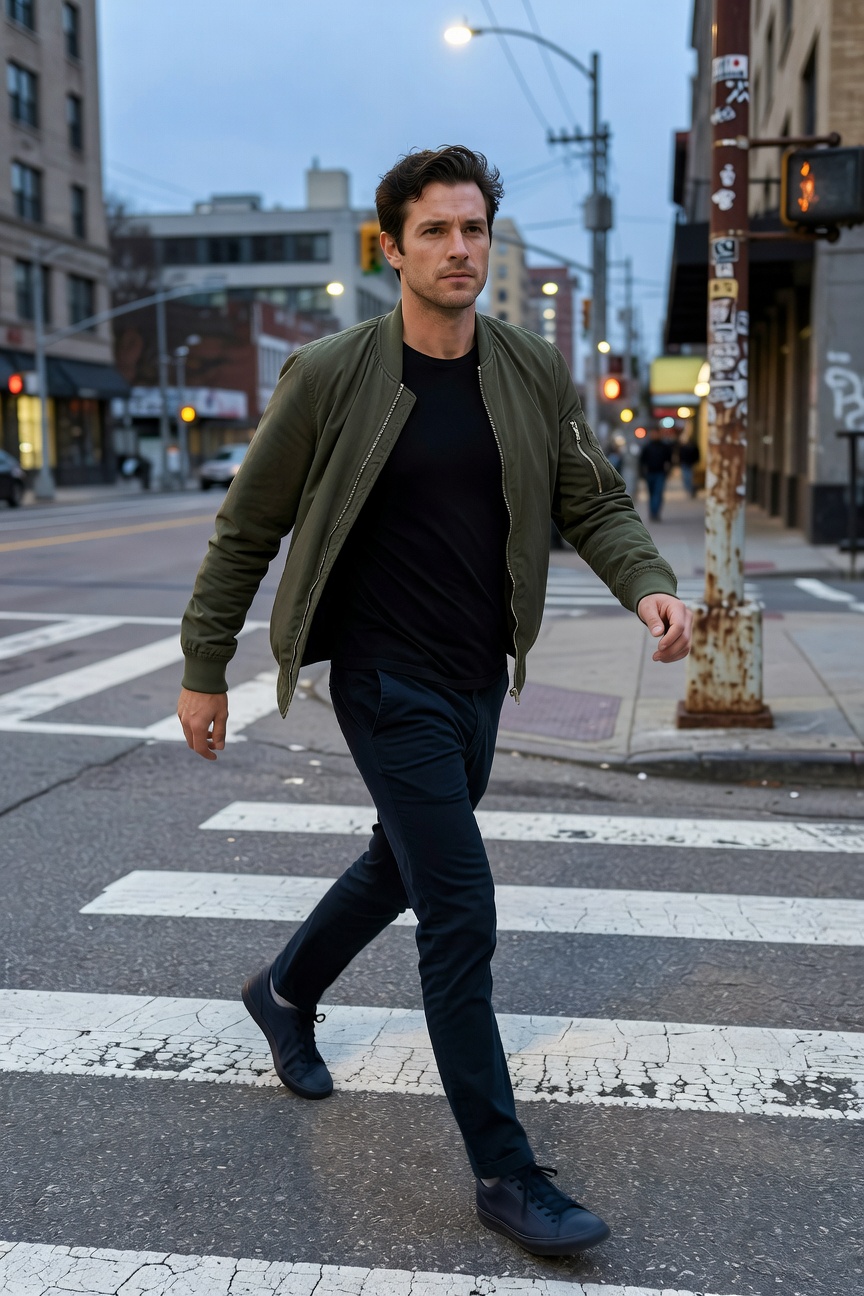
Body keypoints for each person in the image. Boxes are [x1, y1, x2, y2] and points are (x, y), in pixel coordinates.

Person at [177, 146, 691, 1258]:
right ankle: (507, 1174)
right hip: (379, 676)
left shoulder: (528, 368)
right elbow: (247, 525)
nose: (460, 250)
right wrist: (203, 664)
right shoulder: (331, 373)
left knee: (401, 863)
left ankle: (285, 990)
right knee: (459, 908)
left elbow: (590, 498)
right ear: (393, 248)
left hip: (476, 677)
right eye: (437, 233)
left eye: (475, 231)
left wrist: (648, 585)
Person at [639, 426, 673, 521]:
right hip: (650, 473)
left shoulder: (664, 447)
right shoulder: (647, 446)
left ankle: (655, 513)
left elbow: (669, 460)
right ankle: (652, 512)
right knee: (651, 494)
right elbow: (642, 461)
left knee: (657, 494)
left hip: (660, 473)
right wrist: (642, 473)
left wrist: (668, 471)